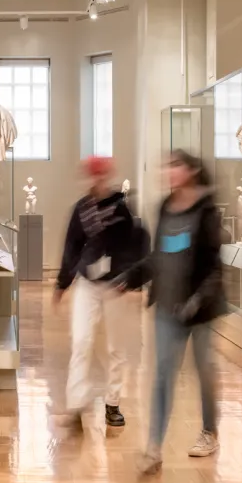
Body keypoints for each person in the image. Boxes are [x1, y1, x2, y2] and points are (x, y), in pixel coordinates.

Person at [129, 151, 225, 473]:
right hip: (168, 309)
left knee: (204, 372)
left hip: (198, 311)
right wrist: (130, 277)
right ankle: (154, 448)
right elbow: (159, 256)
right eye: (166, 166)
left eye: (175, 166)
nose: (168, 172)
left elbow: (214, 268)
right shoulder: (165, 207)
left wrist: (196, 302)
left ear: (191, 171)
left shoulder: (206, 211)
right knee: (162, 376)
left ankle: (210, 431)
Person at [55, 156, 147, 429]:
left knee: (115, 348)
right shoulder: (81, 209)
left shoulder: (121, 209)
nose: (96, 180)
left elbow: (134, 247)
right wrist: (62, 283)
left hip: (114, 285)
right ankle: (76, 404)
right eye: (92, 175)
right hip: (87, 283)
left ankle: (113, 402)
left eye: (100, 175)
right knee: (81, 341)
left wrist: (131, 282)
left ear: (107, 176)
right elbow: (72, 247)